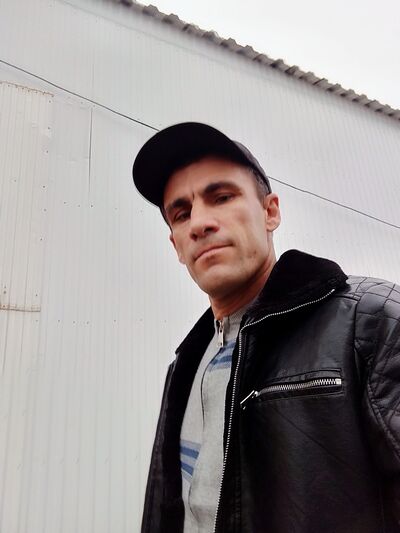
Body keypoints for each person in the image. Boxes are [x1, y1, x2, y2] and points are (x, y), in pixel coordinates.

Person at [132, 122, 400, 533]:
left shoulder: (370, 321)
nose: (199, 223)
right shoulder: (184, 365)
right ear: (176, 246)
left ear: (270, 212)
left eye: (222, 197)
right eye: (181, 214)